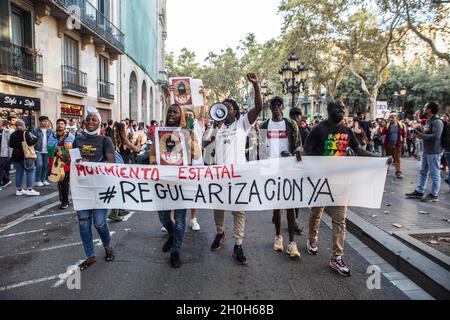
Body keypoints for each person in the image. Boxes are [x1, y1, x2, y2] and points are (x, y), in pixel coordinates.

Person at [303, 101, 379, 277]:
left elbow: (358, 150)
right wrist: (300, 157)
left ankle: (336, 257)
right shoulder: (318, 129)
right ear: (328, 111)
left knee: (340, 220)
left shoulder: (347, 130)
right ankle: (312, 239)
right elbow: (306, 150)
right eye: (337, 109)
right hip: (321, 182)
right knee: (316, 213)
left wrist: (378, 159)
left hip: (341, 183)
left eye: (342, 110)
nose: (341, 112)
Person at [207, 73, 262, 265]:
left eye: (227, 108)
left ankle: (238, 244)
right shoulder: (217, 126)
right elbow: (205, 144)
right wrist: (215, 127)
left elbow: (259, 108)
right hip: (220, 175)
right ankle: (220, 233)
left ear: (235, 111)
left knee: (239, 210)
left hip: (238, 176)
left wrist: (256, 86)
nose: (223, 111)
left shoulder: (243, 124)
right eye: (221, 108)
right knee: (219, 207)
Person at [149, 104, 201, 268]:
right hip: (163, 182)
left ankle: (175, 251)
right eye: (169, 111)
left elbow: (197, 154)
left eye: (175, 112)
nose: (171, 114)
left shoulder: (188, 132)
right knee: (164, 217)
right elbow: (152, 154)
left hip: (181, 182)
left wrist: (187, 137)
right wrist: (154, 163)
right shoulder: (159, 133)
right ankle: (172, 235)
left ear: (181, 116)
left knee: (179, 219)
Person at [70, 107, 115, 271]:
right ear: (84, 122)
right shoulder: (77, 140)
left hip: (100, 188)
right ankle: (90, 255)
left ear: (99, 123)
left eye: (94, 120)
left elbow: (111, 163)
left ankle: (107, 245)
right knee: (83, 223)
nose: (90, 122)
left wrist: (91, 165)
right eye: (88, 119)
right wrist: (74, 160)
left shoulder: (105, 140)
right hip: (82, 188)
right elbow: (74, 161)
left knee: (99, 222)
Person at [260, 96, 302, 258]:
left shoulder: (291, 124)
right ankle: (278, 237)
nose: (276, 107)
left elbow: (299, 146)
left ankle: (292, 243)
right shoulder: (264, 126)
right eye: (273, 105)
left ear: (283, 107)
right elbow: (262, 151)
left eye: (279, 105)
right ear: (270, 108)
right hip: (271, 171)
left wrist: (293, 154)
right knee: (277, 206)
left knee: (290, 205)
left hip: (289, 168)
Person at [406, 102, 444, 202]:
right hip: (426, 150)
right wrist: (420, 133)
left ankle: (434, 194)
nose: (424, 108)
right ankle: (419, 191)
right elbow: (428, 133)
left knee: (435, 173)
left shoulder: (437, 122)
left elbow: (436, 136)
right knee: (423, 172)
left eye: (425, 107)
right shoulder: (428, 121)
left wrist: (422, 136)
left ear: (429, 109)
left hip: (434, 151)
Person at [108, 121, 140, 222]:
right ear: (122, 130)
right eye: (125, 128)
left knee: (119, 188)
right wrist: (138, 140)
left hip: (114, 168)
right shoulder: (125, 141)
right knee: (120, 188)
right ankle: (114, 212)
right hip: (122, 167)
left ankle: (121, 209)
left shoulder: (111, 140)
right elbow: (137, 150)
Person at [48, 119, 75, 210]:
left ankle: (65, 201)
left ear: (65, 125)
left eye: (62, 124)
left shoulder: (70, 136)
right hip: (55, 160)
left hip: (66, 161)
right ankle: (62, 199)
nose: (60, 125)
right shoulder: (53, 135)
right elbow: (49, 147)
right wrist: (55, 149)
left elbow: (71, 148)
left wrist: (62, 151)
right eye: (58, 123)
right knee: (59, 181)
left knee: (64, 181)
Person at [9, 120, 40, 196]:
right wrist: (36, 139)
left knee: (19, 173)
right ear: (22, 126)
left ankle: (19, 190)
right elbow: (30, 143)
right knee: (30, 171)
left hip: (15, 156)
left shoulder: (12, 134)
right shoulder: (25, 133)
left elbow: (11, 145)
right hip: (26, 155)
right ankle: (29, 189)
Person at [382, 113, 406, 179]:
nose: (391, 119)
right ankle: (386, 170)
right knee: (388, 158)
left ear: (396, 118)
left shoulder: (401, 125)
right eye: (390, 117)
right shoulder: (388, 125)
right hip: (388, 145)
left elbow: (404, 135)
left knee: (397, 159)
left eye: (392, 117)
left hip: (398, 145)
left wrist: (405, 143)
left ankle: (398, 172)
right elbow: (382, 132)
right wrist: (382, 127)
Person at [33, 116, 53, 187]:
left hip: (47, 150)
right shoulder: (35, 130)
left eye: (47, 121)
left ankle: (43, 179)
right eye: (44, 121)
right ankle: (37, 180)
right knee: (39, 165)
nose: (46, 122)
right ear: (40, 122)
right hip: (38, 150)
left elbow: (53, 140)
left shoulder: (50, 131)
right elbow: (32, 141)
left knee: (45, 165)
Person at [0, 120, 13, 189]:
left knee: (1, 169)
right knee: (2, 169)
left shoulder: (7, 132)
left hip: (3, 153)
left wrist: (10, 155)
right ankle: (6, 180)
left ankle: (5, 181)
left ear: (1, 123)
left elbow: (10, 144)